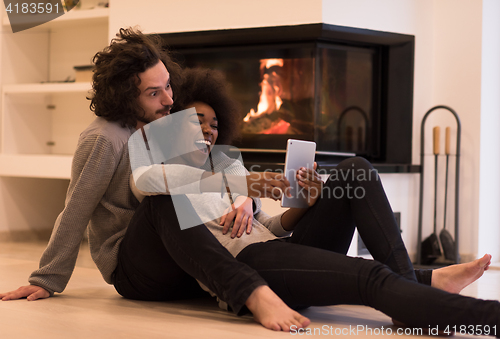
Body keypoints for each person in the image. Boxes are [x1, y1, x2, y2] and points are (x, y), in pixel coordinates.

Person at [0, 27, 493, 333]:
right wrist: (47, 278)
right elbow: (109, 198)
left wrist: (271, 199)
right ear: (128, 99)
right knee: (169, 200)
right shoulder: (109, 139)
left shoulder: (195, 140)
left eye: (169, 85)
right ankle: (250, 293)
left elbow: (263, 219)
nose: (170, 100)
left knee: (355, 175)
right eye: (156, 94)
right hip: (140, 259)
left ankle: (416, 286)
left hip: (220, 249)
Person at [130, 67, 500, 334]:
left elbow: (270, 228)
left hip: (275, 249)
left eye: (213, 124)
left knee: (356, 168)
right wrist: (240, 183)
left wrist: (306, 203)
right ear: (175, 126)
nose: (208, 130)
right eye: (196, 121)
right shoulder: (169, 177)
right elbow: (144, 182)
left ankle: (411, 297)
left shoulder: (227, 163)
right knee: (367, 273)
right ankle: (481, 316)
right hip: (250, 265)